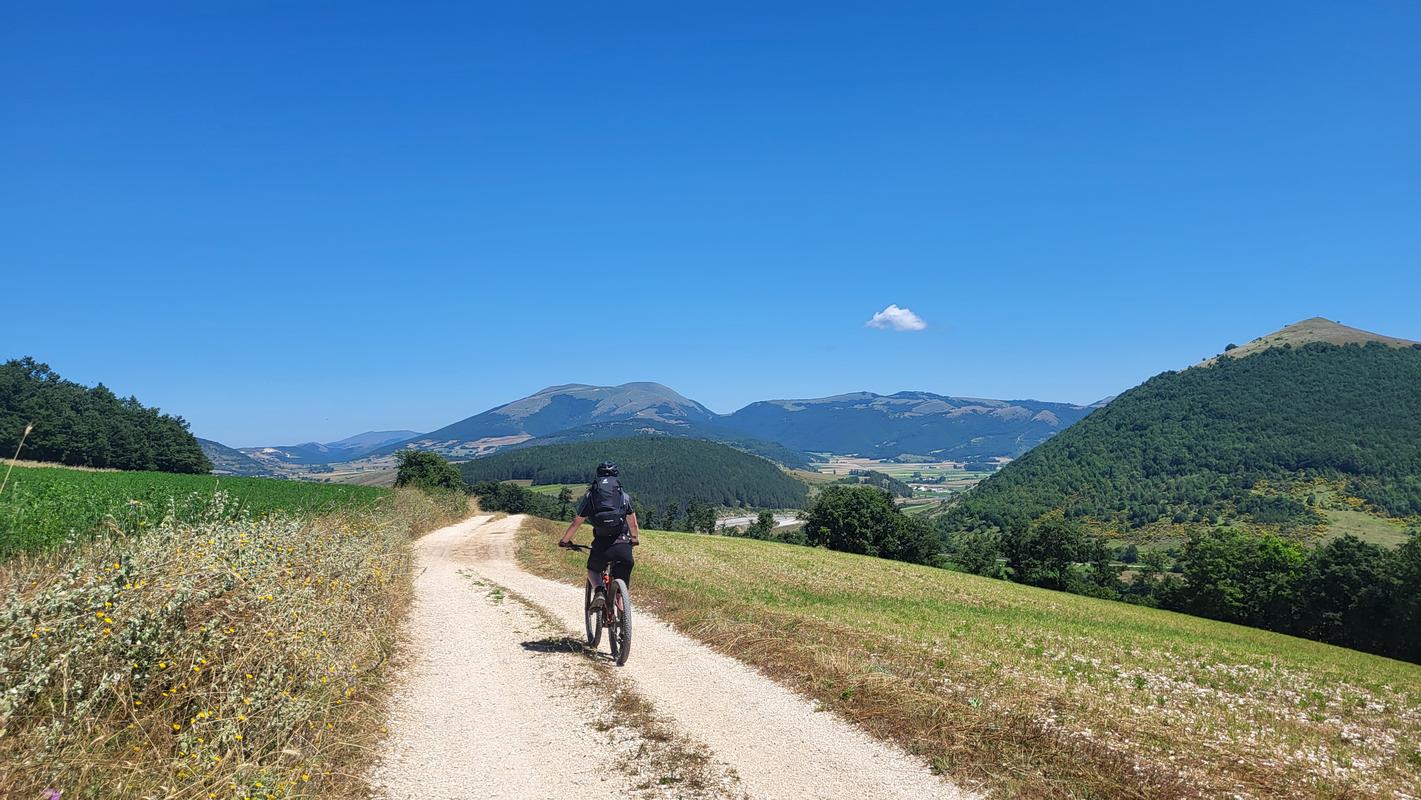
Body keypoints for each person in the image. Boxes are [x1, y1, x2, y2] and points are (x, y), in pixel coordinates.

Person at [559, 461, 639, 608]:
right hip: (622, 545)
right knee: (623, 574)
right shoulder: (624, 496)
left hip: (602, 546)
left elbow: (576, 523)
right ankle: (623, 615)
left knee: (592, 570)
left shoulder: (591, 496)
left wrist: (564, 541)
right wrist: (634, 540)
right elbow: (633, 524)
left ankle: (599, 591)